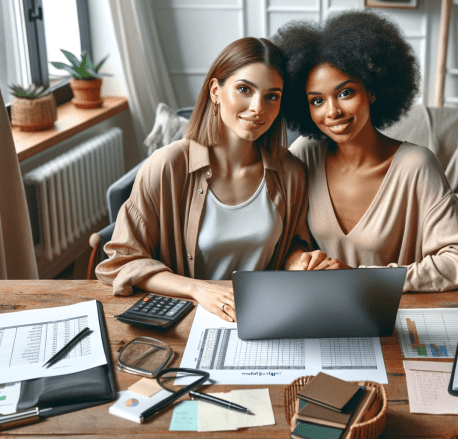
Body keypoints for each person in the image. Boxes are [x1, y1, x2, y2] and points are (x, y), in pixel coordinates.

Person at [96, 37, 310, 322]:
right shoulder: (167, 166)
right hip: (187, 319)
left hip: (263, 317)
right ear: (215, 91)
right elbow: (122, 261)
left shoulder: (291, 172)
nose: (258, 107)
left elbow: (296, 243)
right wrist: (198, 290)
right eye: (244, 89)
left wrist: (298, 260)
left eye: (272, 96)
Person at [273, 10, 458, 292]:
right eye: (316, 101)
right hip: (319, 306)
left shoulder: (416, 165)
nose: (333, 111)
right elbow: (289, 240)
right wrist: (298, 262)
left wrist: (361, 278)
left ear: (372, 90)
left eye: (345, 92)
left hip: (391, 314)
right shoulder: (304, 154)